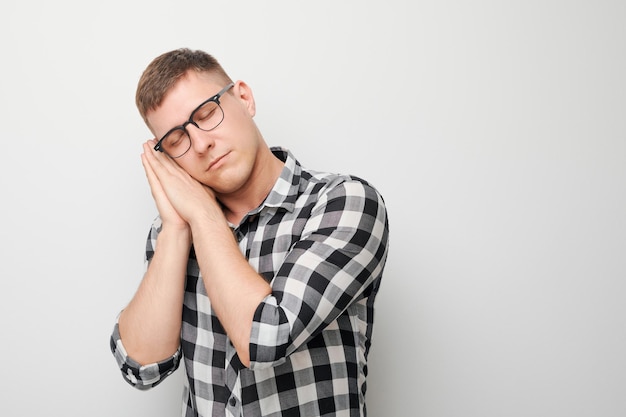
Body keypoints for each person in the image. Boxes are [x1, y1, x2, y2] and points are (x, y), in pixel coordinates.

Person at [110, 47, 390, 417]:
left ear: (244, 97)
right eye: (177, 139)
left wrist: (203, 215)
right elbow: (141, 367)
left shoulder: (344, 202)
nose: (201, 143)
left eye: (207, 113)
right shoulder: (172, 233)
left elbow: (265, 338)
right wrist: (178, 229)